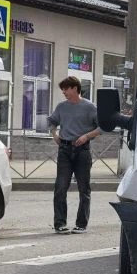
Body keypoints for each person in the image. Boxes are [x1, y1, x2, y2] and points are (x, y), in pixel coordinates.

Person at [48, 75, 100, 233]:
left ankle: (81, 224)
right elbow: (52, 121)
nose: (64, 92)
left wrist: (86, 136)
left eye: (66, 88)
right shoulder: (61, 107)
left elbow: (101, 127)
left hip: (82, 151)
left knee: (84, 189)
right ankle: (60, 224)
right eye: (62, 89)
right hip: (64, 150)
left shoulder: (90, 107)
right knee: (60, 188)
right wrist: (54, 134)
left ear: (75, 88)